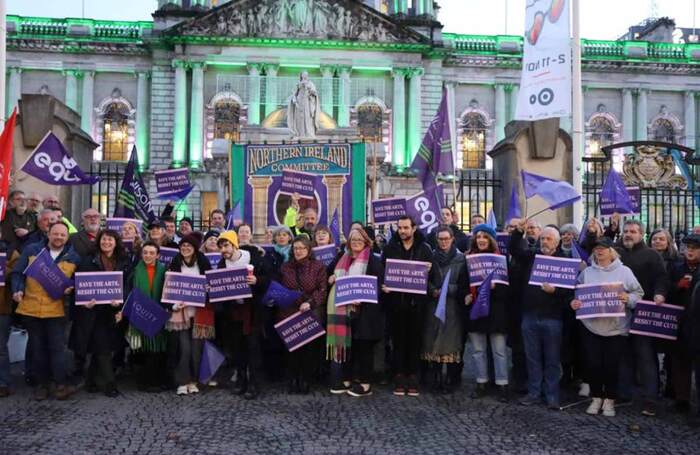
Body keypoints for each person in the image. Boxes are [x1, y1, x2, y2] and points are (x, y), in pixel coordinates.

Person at [571, 237, 644, 417]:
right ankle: (596, 397)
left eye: (603, 248)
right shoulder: (587, 272)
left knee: (612, 366)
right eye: (596, 248)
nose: (599, 251)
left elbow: (639, 293)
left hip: (616, 329)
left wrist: (629, 299)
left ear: (611, 251)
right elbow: (577, 292)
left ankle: (610, 400)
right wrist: (574, 302)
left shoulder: (625, 272)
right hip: (591, 327)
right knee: (594, 364)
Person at [10, 222, 80, 401]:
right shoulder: (32, 250)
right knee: (37, 349)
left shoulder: (73, 257)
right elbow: (18, 272)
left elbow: (78, 282)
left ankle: (60, 384)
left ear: (67, 237)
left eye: (62, 235)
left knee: (57, 349)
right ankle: (41, 385)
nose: (59, 238)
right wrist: (17, 289)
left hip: (56, 311)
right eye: (55, 234)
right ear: (48, 234)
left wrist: (70, 287)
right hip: (31, 309)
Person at [509, 218, 573, 409]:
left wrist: (555, 291)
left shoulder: (565, 261)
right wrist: (517, 233)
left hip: (552, 318)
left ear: (557, 242)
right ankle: (534, 392)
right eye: (543, 238)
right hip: (529, 316)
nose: (544, 242)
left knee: (552, 359)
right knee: (532, 357)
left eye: (549, 239)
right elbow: (515, 250)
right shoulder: (532, 256)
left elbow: (569, 291)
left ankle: (552, 394)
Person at [615, 220, 669, 416]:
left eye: (633, 231)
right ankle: (624, 394)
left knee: (645, 356)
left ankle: (650, 399)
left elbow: (662, 278)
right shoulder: (616, 252)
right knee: (623, 355)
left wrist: (660, 293)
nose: (628, 234)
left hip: (643, 312)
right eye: (626, 231)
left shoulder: (651, 255)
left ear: (641, 234)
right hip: (619, 311)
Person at [70, 230, 129, 398]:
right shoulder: (88, 260)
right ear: (99, 241)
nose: (107, 242)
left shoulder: (123, 261)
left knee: (101, 346)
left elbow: (126, 284)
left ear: (116, 242)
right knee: (103, 347)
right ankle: (110, 384)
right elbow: (80, 284)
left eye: (110, 239)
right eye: (104, 239)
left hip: (111, 311)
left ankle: (90, 381)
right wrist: (84, 301)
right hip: (93, 311)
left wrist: (121, 302)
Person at [326, 228, 384, 397]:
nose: (356, 242)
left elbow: (377, 284)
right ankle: (347, 378)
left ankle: (365, 383)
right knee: (347, 345)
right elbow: (329, 272)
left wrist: (364, 298)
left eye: (360, 239)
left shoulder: (372, 260)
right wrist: (330, 277)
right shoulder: (342, 258)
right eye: (353, 239)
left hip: (365, 311)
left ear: (366, 241)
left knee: (363, 347)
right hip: (344, 310)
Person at [382, 215, 433, 397]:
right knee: (398, 341)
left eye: (405, 228)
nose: (402, 231)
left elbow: (433, 278)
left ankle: (413, 376)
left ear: (414, 228)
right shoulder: (389, 248)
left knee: (414, 341)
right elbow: (383, 271)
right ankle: (399, 376)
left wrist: (429, 270)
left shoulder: (425, 249)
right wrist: (384, 286)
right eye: (400, 228)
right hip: (396, 304)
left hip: (417, 305)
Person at [216, 231, 265, 399]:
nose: (223, 250)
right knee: (238, 349)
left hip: (252, 312)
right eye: (221, 247)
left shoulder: (254, 259)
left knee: (253, 349)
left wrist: (257, 281)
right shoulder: (222, 264)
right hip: (233, 313)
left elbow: (270, 278)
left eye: (226, 245)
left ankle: (255, 384)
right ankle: (242, 381)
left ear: (234, 244)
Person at [464, 224, 510, 401]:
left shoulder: (500, 260)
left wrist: (495, 288)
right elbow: (463, 282)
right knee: (478, 350)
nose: (481, 240)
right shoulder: (469, 259)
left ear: (491, 239)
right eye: (478, 237)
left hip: (496, 313)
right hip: (476, 311)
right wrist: (466, 294)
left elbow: (508, 291)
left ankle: (502, 384)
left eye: (484, 236)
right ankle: (481, 382)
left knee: (499, 351)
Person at [423, 226, 468, 394]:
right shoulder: (430, 257)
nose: (443, 242)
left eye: (446, 239)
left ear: (452, 239)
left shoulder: (461, 259)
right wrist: (432, 289)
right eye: (440, 239)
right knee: (433, 341)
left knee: (451, 343)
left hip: (452, 307)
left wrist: (448, 289)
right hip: (433, 305)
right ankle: (435, 377)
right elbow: (422, 278)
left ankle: (451, 378)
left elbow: (465, 284)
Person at [166, 234, 213, 395]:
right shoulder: (174, 263)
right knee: (183, 349)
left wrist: (207, 290)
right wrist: (174, 305)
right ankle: (182, 381)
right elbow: (169, 288)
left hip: (200, 313)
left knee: (196, 350)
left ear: (195, 248)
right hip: (181, 313)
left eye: (189, 246)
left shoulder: (203, 262)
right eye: (183, 245)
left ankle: (193, 380)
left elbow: (211, 284)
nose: (185, 248)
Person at [280, 236, 328, 394]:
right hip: (290, 311)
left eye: (301, 248)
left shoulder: (318, 266)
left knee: (308, 348)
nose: (298, 251)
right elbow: (280, 288)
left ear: (308, 250)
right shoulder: (285, 267)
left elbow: (322, 289)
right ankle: (293, 378)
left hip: (309, 311)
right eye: (295, 248)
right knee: (292, 349)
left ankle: (306, 378)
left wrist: (311, 303)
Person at [125, 241, 169, 392]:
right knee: (143, 349)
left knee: (158, 350)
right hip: (140, 313)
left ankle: (157, 380)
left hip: (158, 313)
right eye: (145, 253)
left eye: (151, 253)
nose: (148, 256)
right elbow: (128, 292)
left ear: (158, 255)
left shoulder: (165, 271)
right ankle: (144, 382)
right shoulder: (134, 270)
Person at [667, 234, 700, 416]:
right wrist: (676, 287)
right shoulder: (677, 267)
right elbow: (667, 289)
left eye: (694, 248)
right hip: (680, 321)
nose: (690, 251)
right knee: (680, 362)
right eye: (688, 248)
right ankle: (682, 399)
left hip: (697, 322)